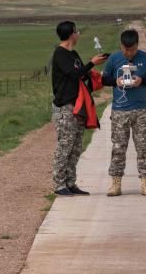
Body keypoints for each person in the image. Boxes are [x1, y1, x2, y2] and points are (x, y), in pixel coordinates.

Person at [50, 20, 108, 196]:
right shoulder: (59, 54)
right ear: (71, 34)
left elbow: (81, 76)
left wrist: (94, 75)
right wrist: (91, 63)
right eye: (77, 31)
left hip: (78, 106)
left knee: (75, 147)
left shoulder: (73, 54)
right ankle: (59, 184)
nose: (79, 34)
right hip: (65, 107)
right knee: (65, 146)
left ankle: (71, 182)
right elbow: (74, 73)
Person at [101, 28, 146, 197]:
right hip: (120, 110)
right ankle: (115, 183)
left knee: (143, 148)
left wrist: (142, 81)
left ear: (137, 45)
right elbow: (104, 79)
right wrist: (117, 81)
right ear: (121, 46)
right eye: (126, 49)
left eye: (132, 49)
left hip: (141, 110)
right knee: (118, 148)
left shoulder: (145, 58)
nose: (129, 53)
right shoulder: (114, 58)